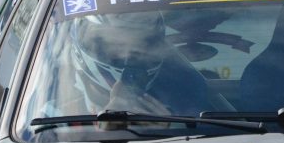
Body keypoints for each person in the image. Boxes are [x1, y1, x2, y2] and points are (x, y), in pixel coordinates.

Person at [69, 11, 210, 116]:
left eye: (140, 49)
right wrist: (109, 122)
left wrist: (170, 127)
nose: (127, 56)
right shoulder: (57, 110)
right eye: (116, 47)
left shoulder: (182, 96)